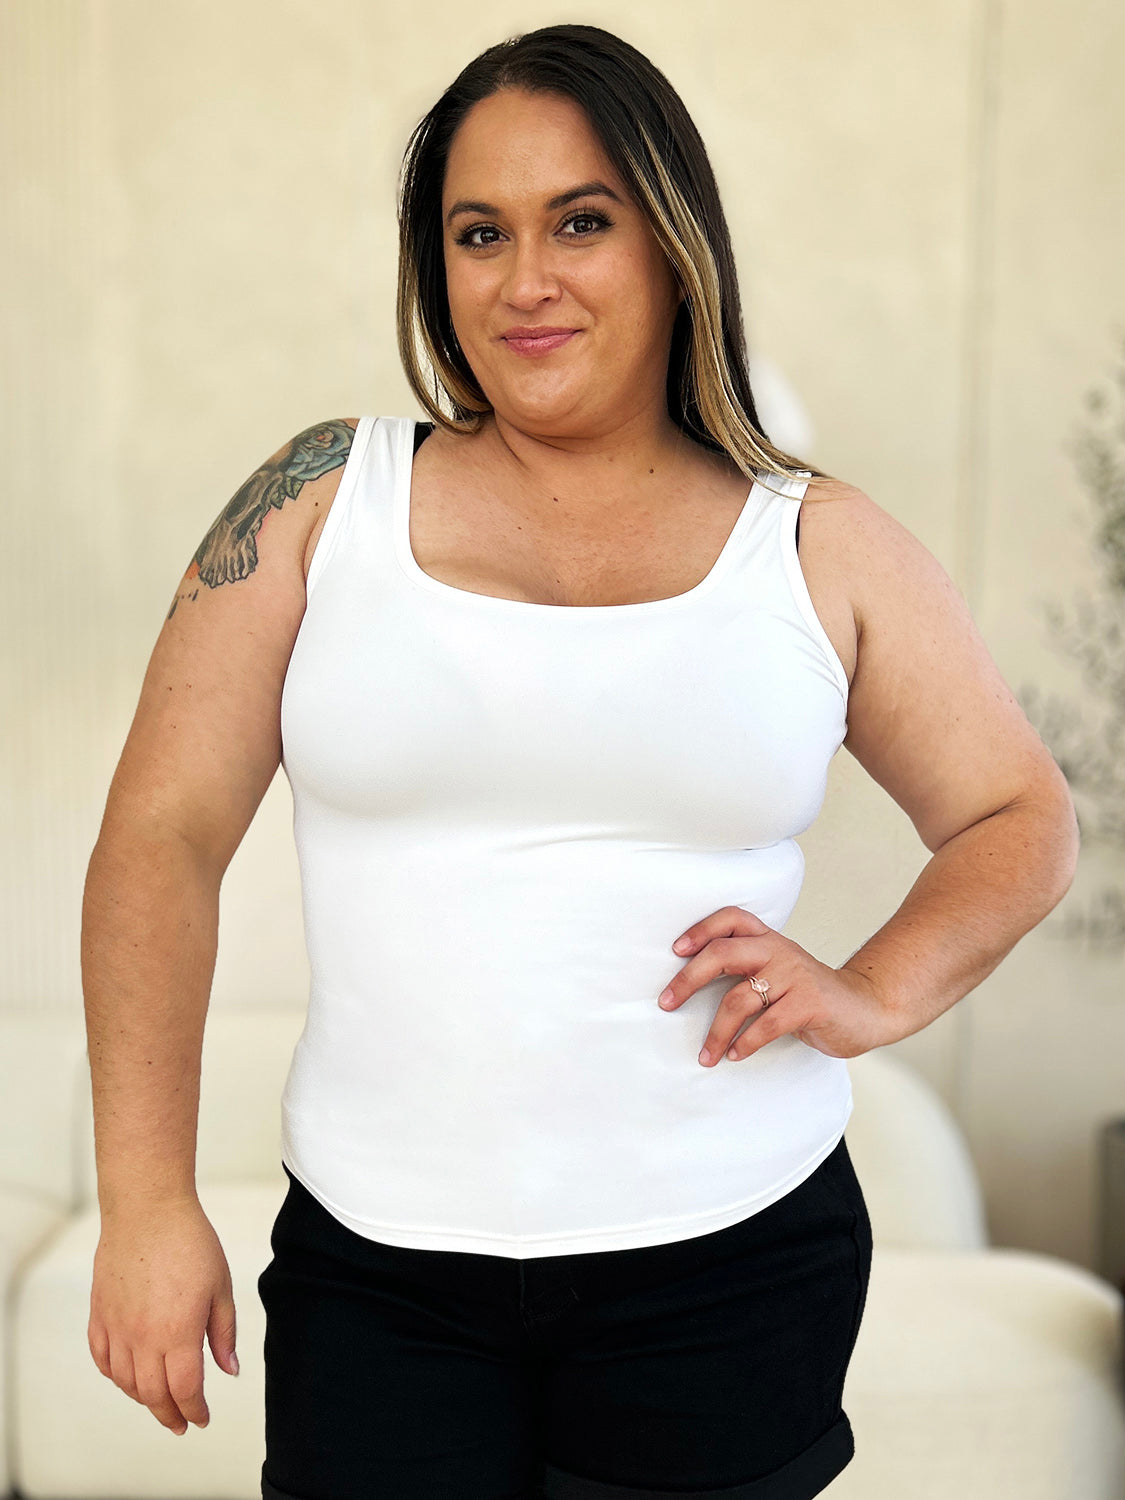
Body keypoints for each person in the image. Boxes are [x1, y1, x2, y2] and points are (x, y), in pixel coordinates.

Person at [80, 22, 1079, 1500]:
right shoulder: (314, 504)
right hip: (381, 1271)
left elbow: (1016, 815)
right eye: (478, 233)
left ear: (673, 245)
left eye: (580, 222)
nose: (524, 281)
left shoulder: (812, 540)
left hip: (729, 1264)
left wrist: (873, 988)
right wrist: (145, 1198)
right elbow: (160, 837)